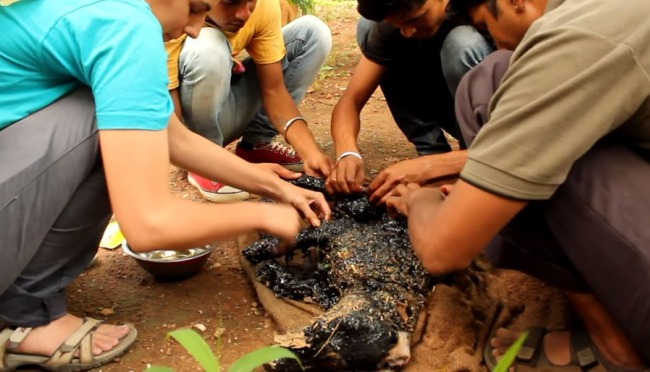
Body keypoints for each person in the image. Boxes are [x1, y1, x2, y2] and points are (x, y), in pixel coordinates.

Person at [0, 0, 330, 370]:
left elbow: (174, 137)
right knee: (105, 124)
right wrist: (264, 216)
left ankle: (28, 281)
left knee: (119, 122)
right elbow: (148, 224)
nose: (193, 29)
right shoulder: (126, 25)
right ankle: (34, 317)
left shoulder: (104, 10)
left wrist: (271, 186)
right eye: (194, 8)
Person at [386, 0, 650, 369]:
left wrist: (421, 199)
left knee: (491, 78)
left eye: (483, 25)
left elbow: (441, 251)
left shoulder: (572, 38)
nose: (490, 38)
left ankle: (615, 348)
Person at [166, 0, 334, 202]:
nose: (244, 14)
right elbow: (170, 127)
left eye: (250, 2)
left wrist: (310, 153)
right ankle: (207, 167)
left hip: (225, 105)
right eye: (231, 3)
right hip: (187, 130)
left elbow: (274, 90)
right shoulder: (170, 17)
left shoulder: (263, 7)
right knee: (208, 48)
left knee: (312, 32)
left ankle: (255, 147)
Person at [326, 0, 494, 198]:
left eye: (416, 19)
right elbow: (350, 101)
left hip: (504, 124)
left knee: (462, 44)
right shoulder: (401, 23)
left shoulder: (493, 9)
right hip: (450, 101)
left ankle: (471, 173)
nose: (408, 32)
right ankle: (434, 152)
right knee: (370, 28)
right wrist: (348, 153)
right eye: (400, 24)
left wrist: (439, 167)